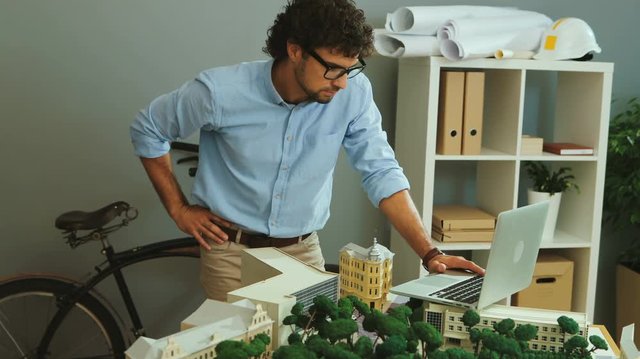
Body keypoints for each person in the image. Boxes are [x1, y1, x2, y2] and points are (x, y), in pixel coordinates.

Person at [130, 0, 484, 301]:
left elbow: (381, 171)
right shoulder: (219, 92)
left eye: (351, 69)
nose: (342, 82)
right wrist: (178, 209)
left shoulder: (354, 92)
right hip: (230, 252)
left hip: (303, 251)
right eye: (332, 68)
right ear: (295, 49)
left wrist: (429, 252)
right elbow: (149, 128)